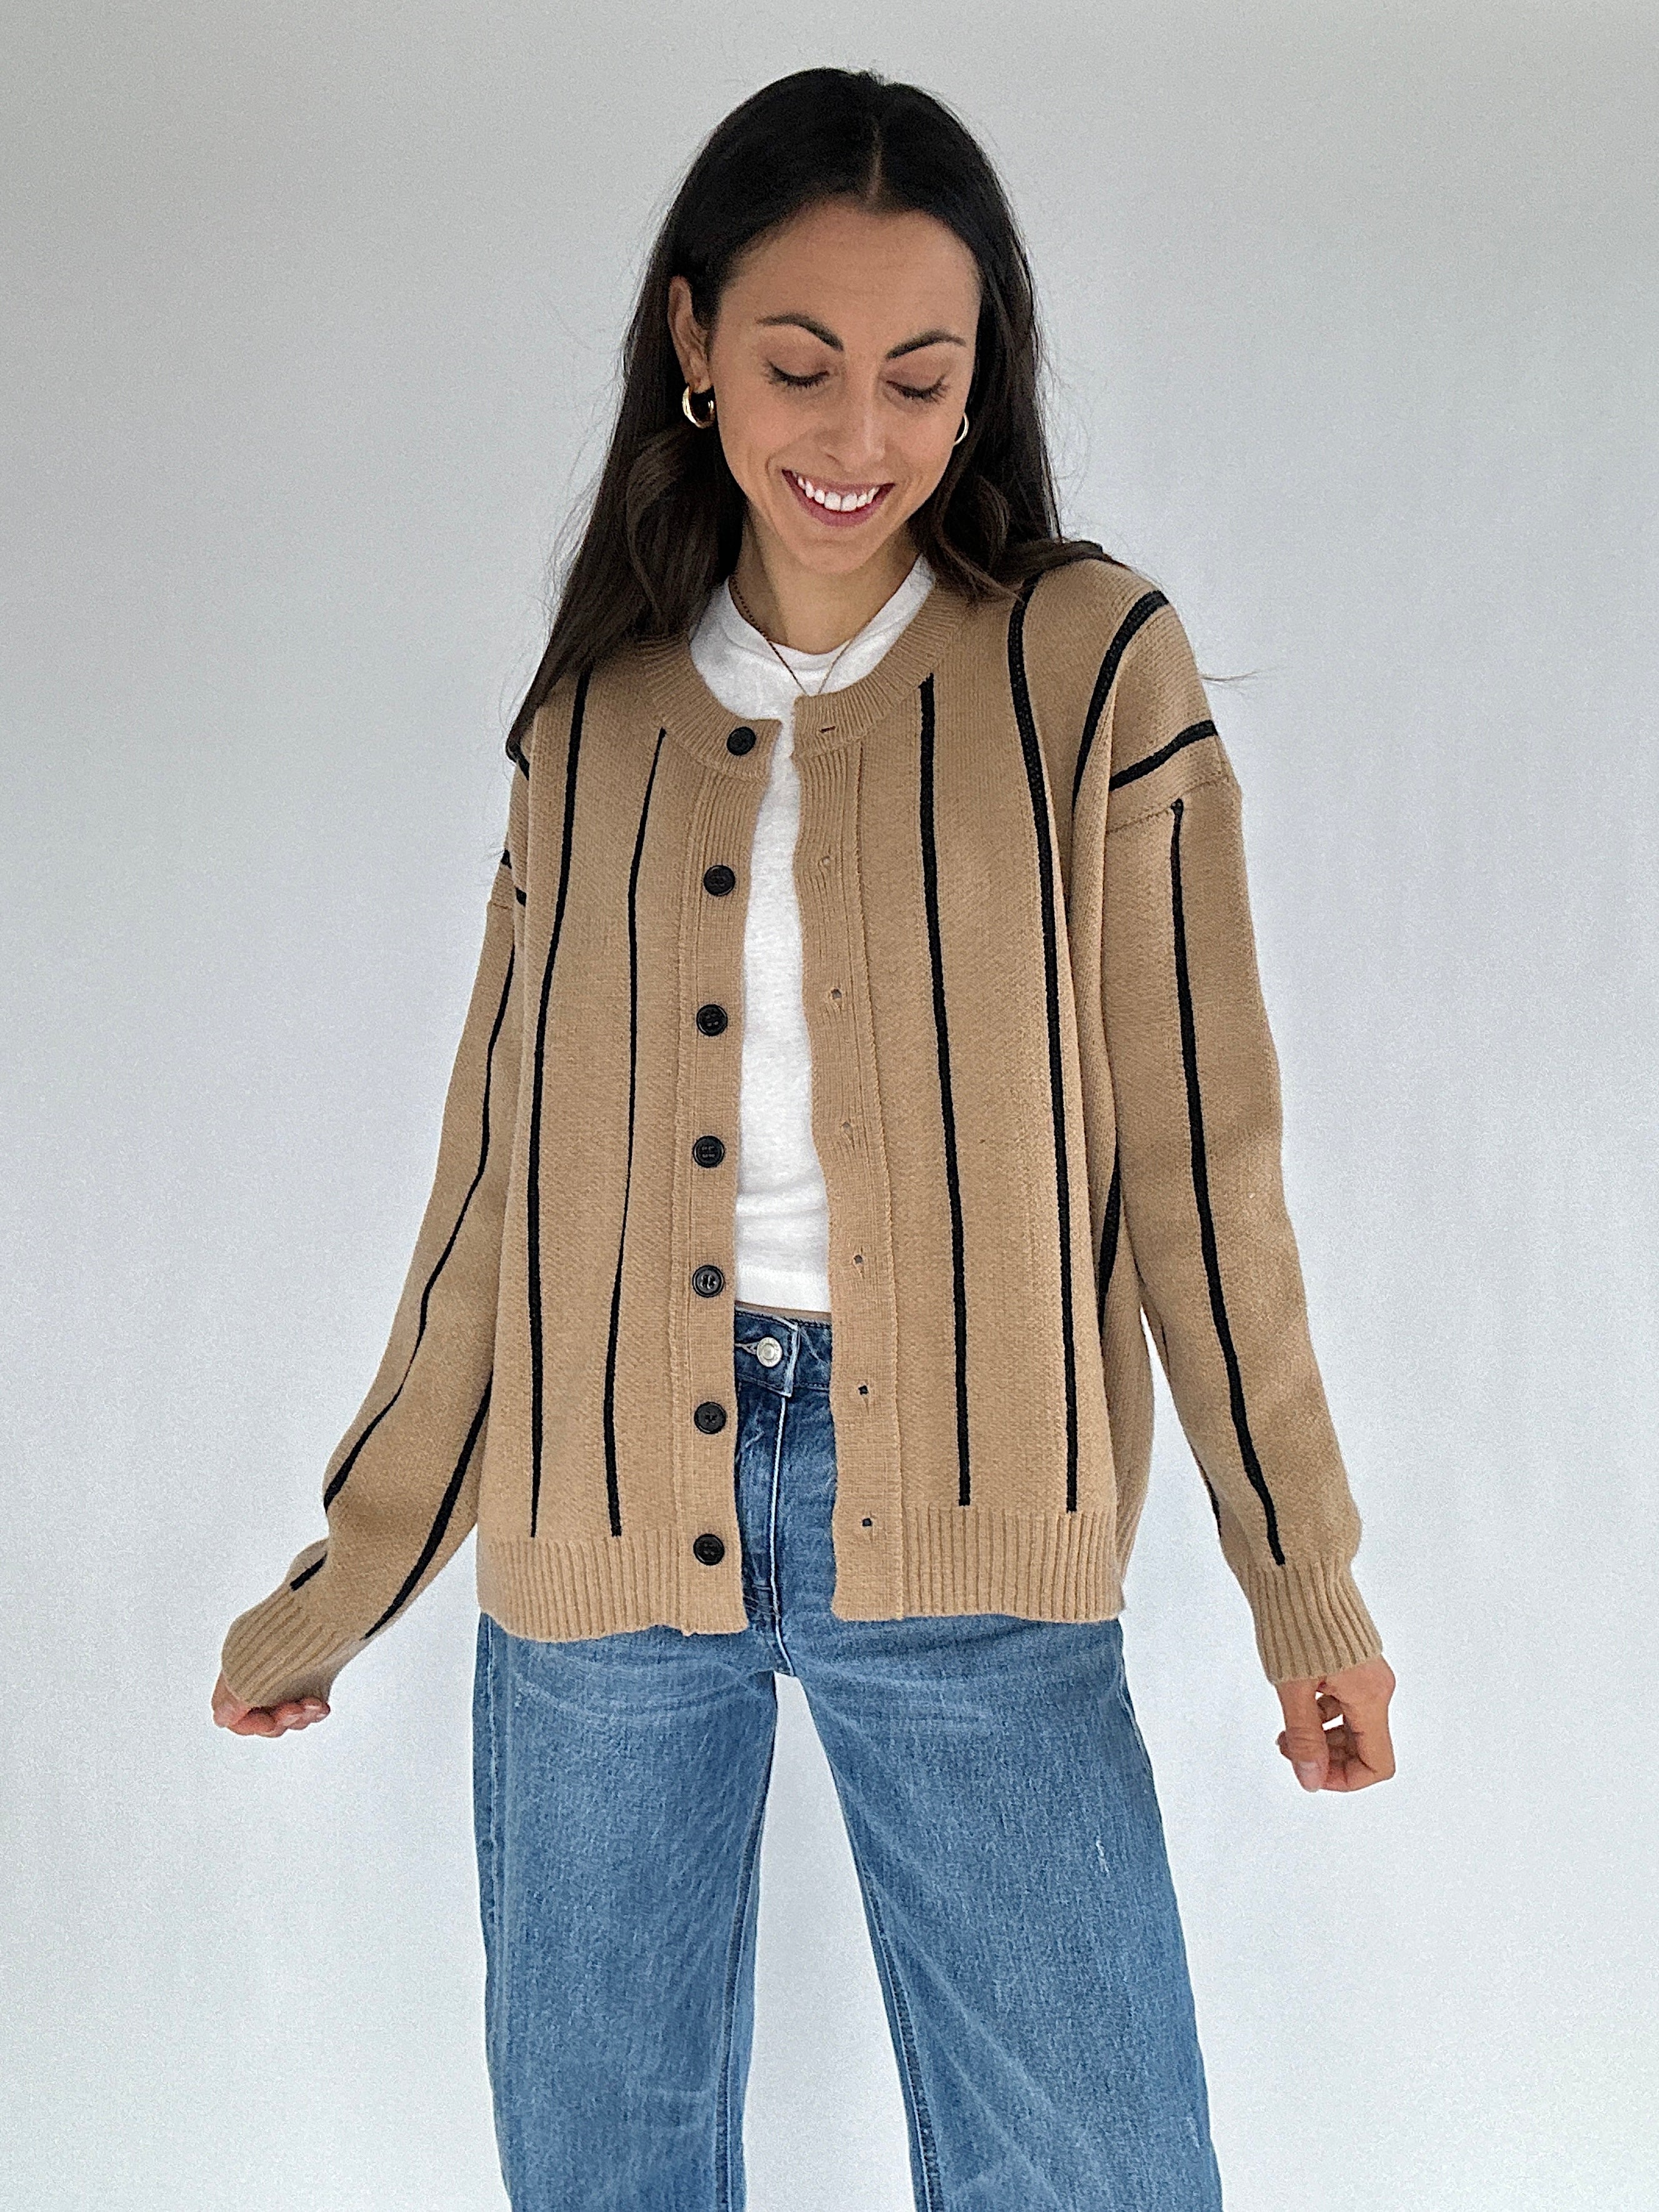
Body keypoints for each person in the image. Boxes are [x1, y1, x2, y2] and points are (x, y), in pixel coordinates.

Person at [212, 66, 1396, 2211]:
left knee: (1099, 2171)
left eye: (921, 381)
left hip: (968, 1495)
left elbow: (1200, 1169)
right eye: (801, 365)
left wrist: (1297, 1573)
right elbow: (495, 1186)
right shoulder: (592, 721)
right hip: (594, 1512)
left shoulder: (1091, 666)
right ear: (692, 344)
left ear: (981, 391)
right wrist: (353, 1569)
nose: (859, 437)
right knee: (604, 2174)